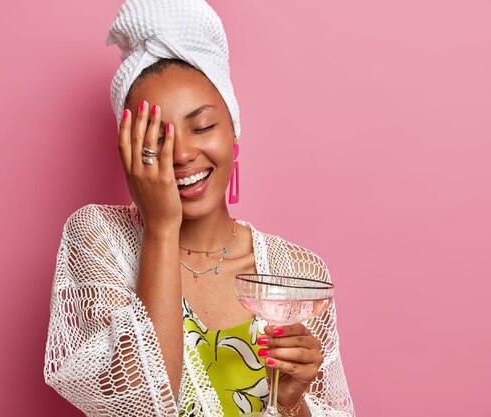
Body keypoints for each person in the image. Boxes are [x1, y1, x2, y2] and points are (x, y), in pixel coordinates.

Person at [44, 1, 354, 416]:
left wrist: (291, 404)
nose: (183, 154)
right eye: (157, 139)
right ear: (129, 153)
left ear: (233, 132)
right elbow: (141, 406)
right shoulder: (100, 240)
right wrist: (160, 227)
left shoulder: (296, 275)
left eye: (203, 126)